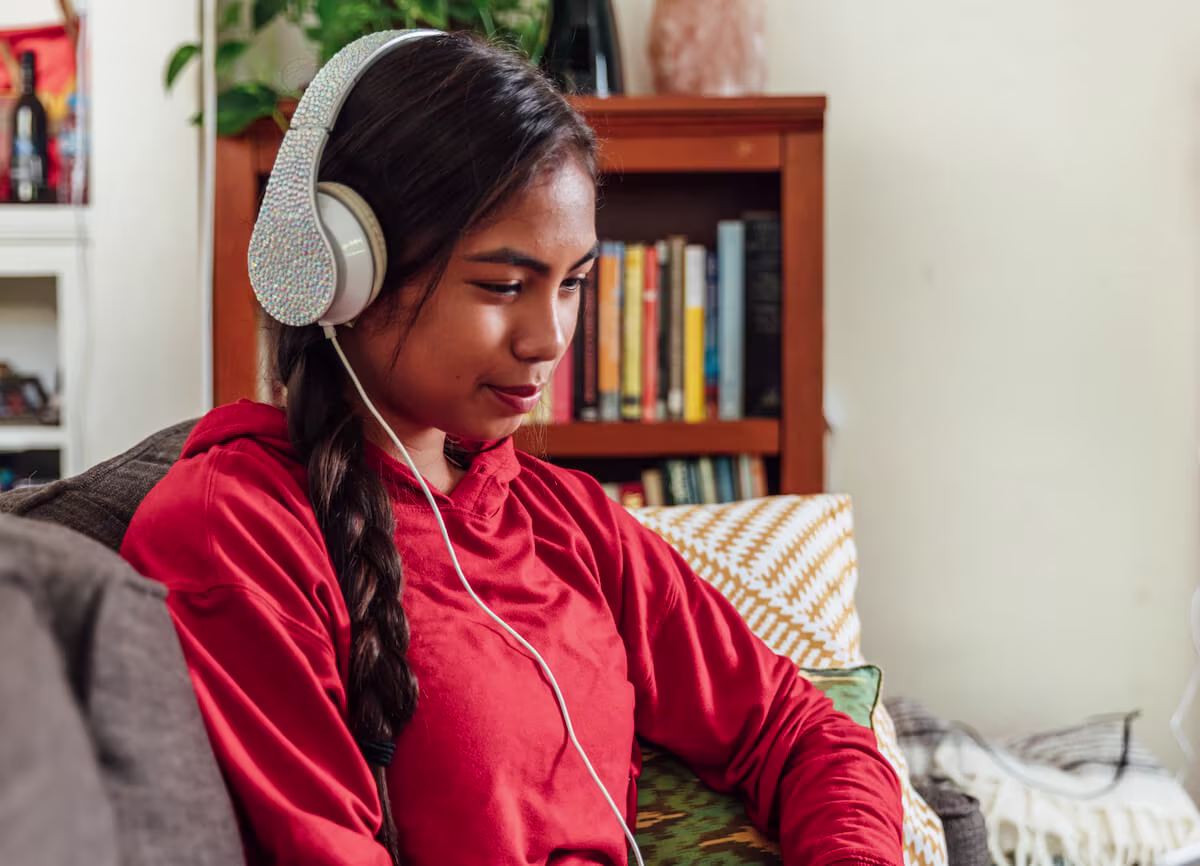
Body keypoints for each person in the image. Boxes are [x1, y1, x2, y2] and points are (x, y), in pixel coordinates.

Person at [121, 29, 904, 866]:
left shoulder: (566, 517)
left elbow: (803, 733)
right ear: (343, 268)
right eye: (503, 286)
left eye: (572, 285)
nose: (550, 338)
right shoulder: (230, 529)